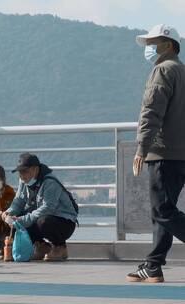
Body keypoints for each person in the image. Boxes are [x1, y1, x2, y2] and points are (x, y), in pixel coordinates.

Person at [127, 24, 185, 283]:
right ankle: (153, 266)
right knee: (163, 210)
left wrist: (142, 147)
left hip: (163, 153)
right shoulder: (182, 70)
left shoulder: (162, 70)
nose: (149, 47)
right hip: (181, 153)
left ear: (169, 45)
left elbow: (151, 111)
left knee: (162, 210)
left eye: (154, 42)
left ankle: (153, 264)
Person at [3, 153, 78, 261]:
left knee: (43, 221)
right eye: (20, 172)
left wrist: (22, 219)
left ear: (35, 169)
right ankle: (42, 246)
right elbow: (19, 200)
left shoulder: (50, 182)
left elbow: (48, 208)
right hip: (40, 217)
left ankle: (60, 247)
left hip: (64, 222)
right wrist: (9, 213)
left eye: (25, 171)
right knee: (15, 222)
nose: (21, 175)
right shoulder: (24, 181)